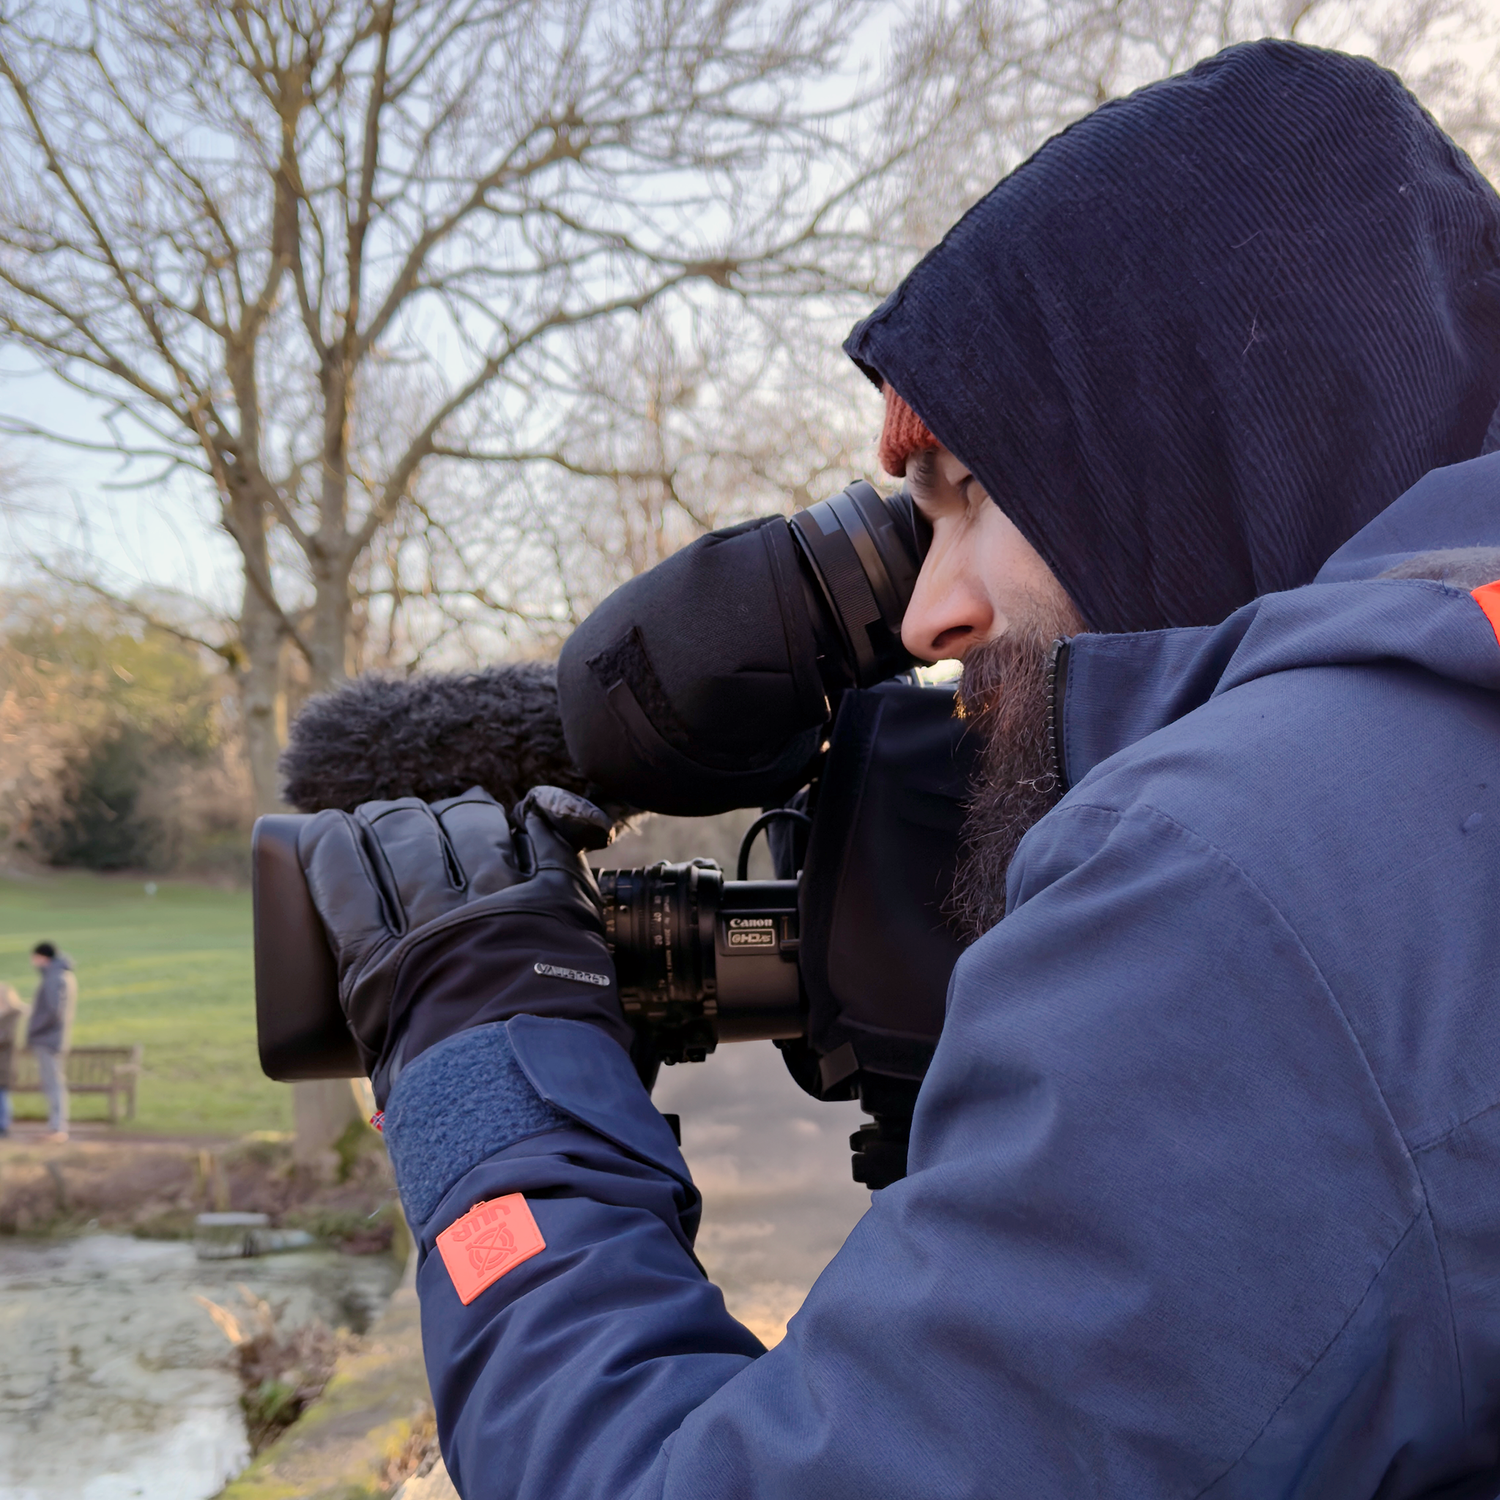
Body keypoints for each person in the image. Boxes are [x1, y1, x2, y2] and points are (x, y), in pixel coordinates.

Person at [298, 41, 1500, 1499]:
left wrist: (484, 1072)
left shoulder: (1254, 884)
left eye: (972, 498)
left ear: (1179, 449)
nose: (925, 617)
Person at [27, 941, 75, 1144]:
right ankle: (56, 1126)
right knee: (53, 1083)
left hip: (48, 1039)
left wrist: (35, 1029)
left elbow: (54, 1011)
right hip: (52, 1038)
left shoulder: (55, 978)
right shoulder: (60, 975)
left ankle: (57, 1128)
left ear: (42, 956)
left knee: (53, 1083)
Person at [0, 984, 23, 1138]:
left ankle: (3, 1126)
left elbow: (5, 1038)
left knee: (2, 1096)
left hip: (4, 1065)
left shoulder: (12, 1017)